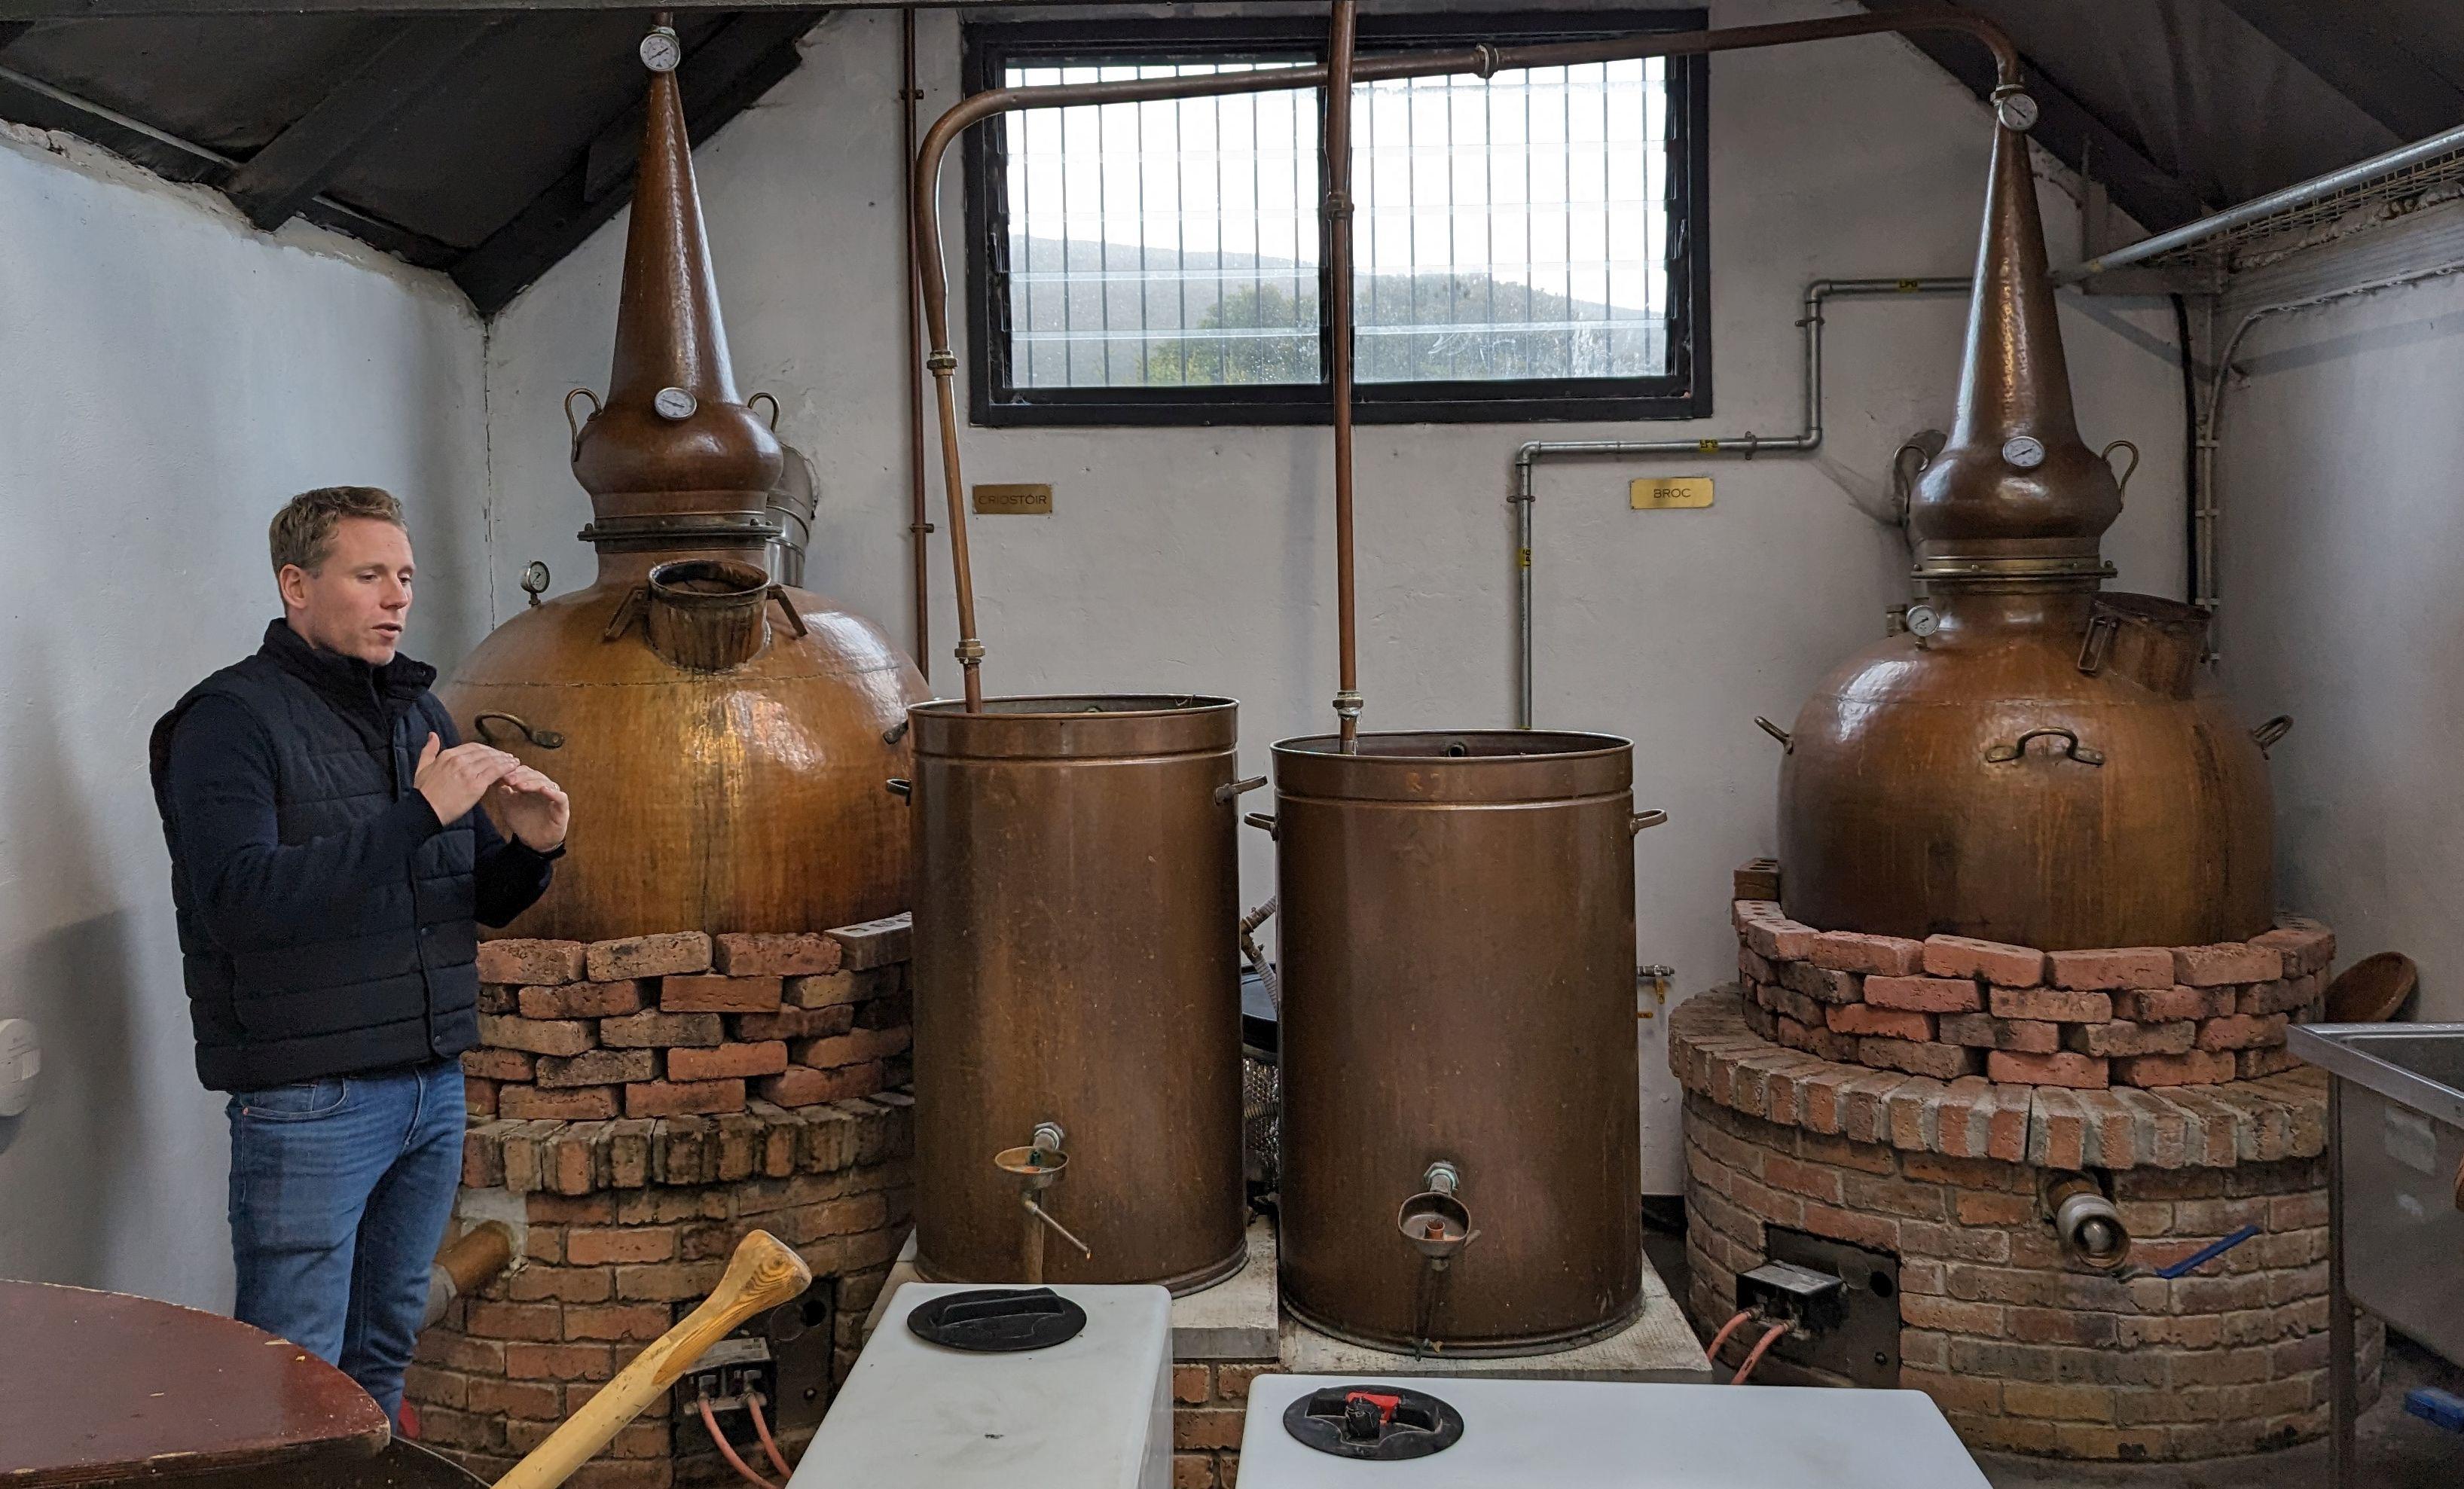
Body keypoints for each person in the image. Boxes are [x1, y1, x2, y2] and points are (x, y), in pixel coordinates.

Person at [148, 486, 569, 1423]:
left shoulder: (419, 717)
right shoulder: (227, 722)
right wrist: (421, 814)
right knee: (291, 1373)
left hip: (430, 1082)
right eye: (370, 575)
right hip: (311, 1097)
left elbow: (462, 900)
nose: (398, 598)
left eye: (406, 577)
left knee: (383, 1351)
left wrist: (535, 849)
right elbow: (241, 905)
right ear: (296, 585)